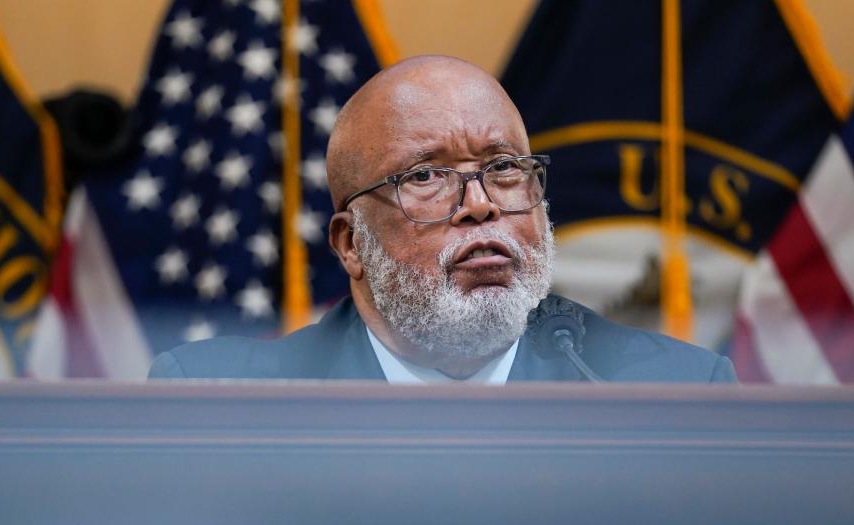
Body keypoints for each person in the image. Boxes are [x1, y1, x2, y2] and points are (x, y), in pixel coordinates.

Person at [149, 55, 736, 383]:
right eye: (424, 176)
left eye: (504, 166)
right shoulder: (222, 403)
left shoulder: (670, 393)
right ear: (351, 244)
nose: (480, 204)